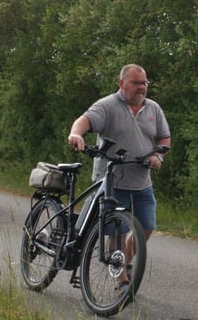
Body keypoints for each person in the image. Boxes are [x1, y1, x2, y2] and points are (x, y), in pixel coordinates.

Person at [68, 64, 171, 246]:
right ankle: (121, 273)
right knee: (118, 230)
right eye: (136, 83)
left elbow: (164, 138)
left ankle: (125, 262)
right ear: (122, 83)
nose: (141, 87)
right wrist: (76, 134)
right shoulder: (107, 105)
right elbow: (85, 120)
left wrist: (158, 157)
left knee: (146, 227)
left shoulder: (153, 108)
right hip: (113, 181)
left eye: (144, 83)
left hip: (142, 182)